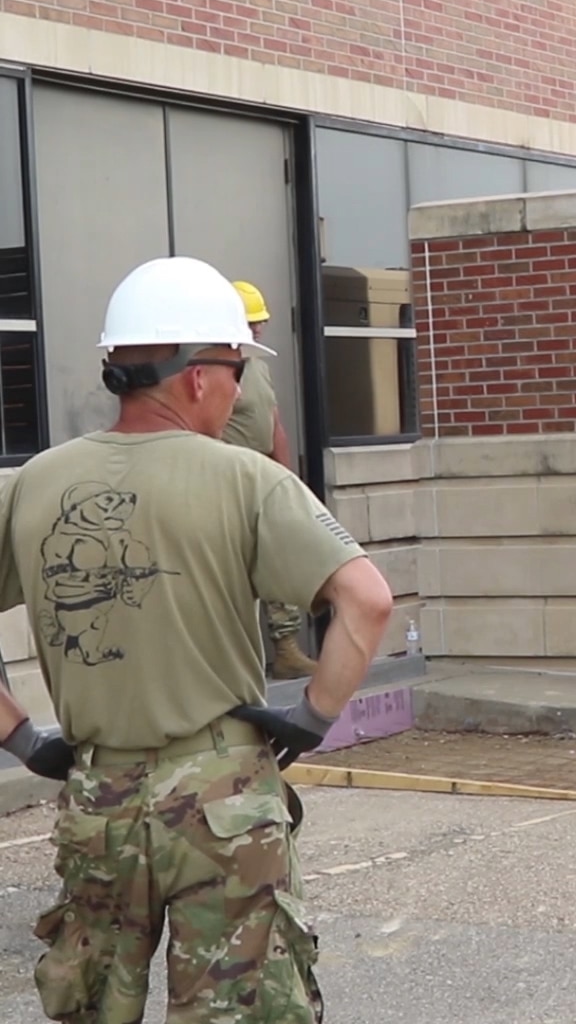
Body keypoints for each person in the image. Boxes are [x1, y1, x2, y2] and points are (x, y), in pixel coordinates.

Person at [0, 255, 393, 1022]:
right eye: (237, 366)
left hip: (97, 801)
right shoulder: (249, 481)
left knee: (90, 1005)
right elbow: (367, 601)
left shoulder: (33, 484)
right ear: (197, 376)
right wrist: (312, 716)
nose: (241, 388)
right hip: (224, 803)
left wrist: (18, 736)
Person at [225, 279, 317, 680]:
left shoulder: (258, 367)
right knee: (230, 572)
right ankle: (232, 662)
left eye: (260, 321)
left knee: (277, 561)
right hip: (227, 485)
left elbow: (274, 423)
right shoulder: (215, 373)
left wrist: (287, 482)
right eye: (250, 322)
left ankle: (286, 649)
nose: (258, 329)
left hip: (262, 482)